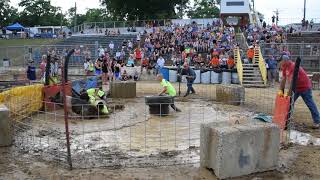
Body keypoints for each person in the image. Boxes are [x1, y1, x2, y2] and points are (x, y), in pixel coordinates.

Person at [279, 55, 320, 129]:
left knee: (310, 104)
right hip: (296, 88)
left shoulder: (293, 66)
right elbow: (284, 79)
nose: (280, 63)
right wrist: (281, 90)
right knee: (289, 103)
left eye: (280, 61)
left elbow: (292, 82)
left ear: (285, 61)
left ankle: (317, 121)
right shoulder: (284, 67)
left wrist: (288, 94)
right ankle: (287, 119)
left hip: (305, 87)